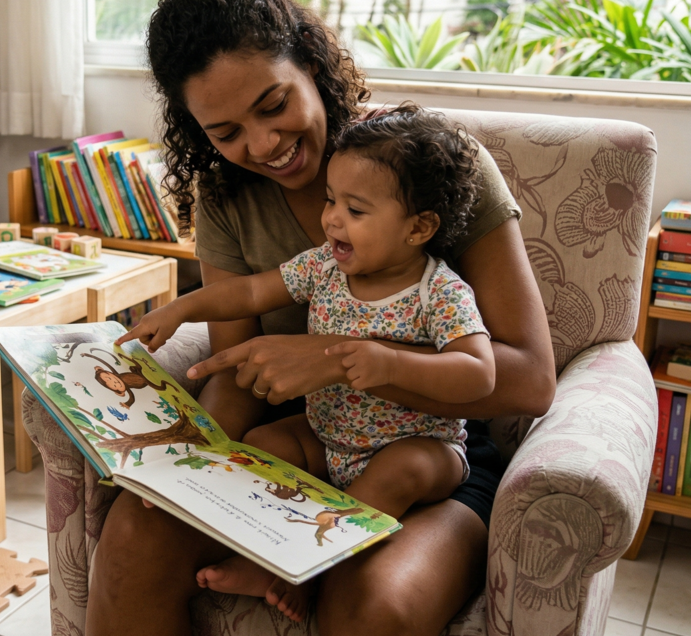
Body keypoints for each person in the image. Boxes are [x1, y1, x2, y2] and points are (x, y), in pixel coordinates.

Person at [86, 0, 556, 636]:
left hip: (426, 460)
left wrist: (340, 357)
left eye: (273, 106)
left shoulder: (432, 169)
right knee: (135, 537)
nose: (264, 144)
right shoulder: (227, 198)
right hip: (309, 442)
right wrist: (182, 466)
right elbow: (239, 372)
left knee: (373, 606)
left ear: (312, 60)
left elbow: (532, 380)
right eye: (225, 133)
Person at [116, 104, 497, 621]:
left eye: (356, 211)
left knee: (401, 468)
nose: (333, 218)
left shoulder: (441, 292)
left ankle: (298, 569)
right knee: (262, 446)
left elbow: (479, 372)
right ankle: (262, 547)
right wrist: (181, 308)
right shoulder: (324, 265)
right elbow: (249, 292)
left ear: (418, 228)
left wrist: (386, 363)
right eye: (331, 200)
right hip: (327, 434)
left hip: (422, 447)